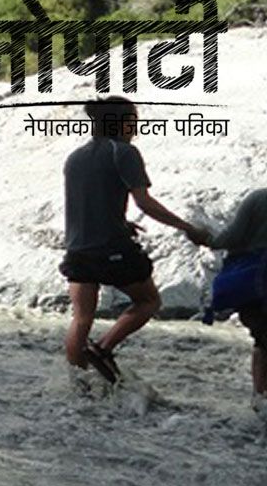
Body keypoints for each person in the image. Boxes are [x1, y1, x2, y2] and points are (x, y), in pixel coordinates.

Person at [57, 96, 210, 383]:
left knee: (81, 319)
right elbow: (144, 203)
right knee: (148, 301)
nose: (136, 127)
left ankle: (79, 385)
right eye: (134, 121)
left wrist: (120, 221)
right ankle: (102, 349)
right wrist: (185, 226)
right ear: (122, 123)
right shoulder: (124, 152)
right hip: (112, 249)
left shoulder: (74, 158)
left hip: (77, 251)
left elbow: (86, 201)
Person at [201, 188, 267, 396]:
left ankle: (260, 398)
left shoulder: (258, 199)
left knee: (262, 341)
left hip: (253, 284)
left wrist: (209, 240)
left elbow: (234, 236)